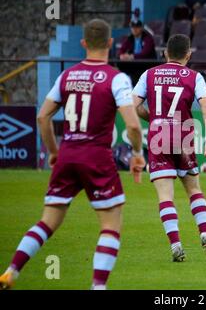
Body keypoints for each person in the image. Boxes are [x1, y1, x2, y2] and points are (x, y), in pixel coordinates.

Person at [0, 19, 146, 290]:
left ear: (83, 44)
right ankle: (98, 287)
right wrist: (137, 153)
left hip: (68, 154)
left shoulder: (66, 76)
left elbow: (42, 117)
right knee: (111, 223)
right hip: (97, 156)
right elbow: (134, 125)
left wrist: (54, 152)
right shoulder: (116, 78)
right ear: (111, 43)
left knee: (47, 221)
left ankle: (11, 270)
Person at [132, 34, 206, 262]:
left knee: (165, 196)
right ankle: (205, 233)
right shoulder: (194, 76)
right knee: (194, 189)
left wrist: (151, 117)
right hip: (183, 136)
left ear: (165, 53)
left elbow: (132, 105)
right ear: (188, 55)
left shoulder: (149, 74)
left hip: (157, 137)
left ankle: (176, 244)